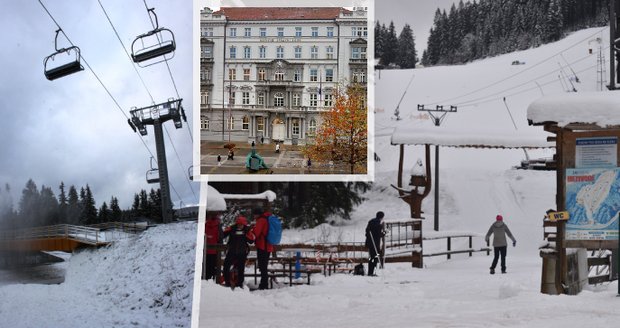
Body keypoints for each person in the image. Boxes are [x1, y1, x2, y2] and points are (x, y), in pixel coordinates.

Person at [222, 216, 255, 288]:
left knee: (241, 269)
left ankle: (239, 284)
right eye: (239, 224)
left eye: (241, 224)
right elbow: (222, 235)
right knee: (226, 267)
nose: (240, 226)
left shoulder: (246, 230)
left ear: (244, 224)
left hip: (242, 252)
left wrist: (247, 233)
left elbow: (251, 241)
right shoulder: (232, 228)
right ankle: (227, 283)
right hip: (232, 251)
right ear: (237, 223)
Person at [251, 207, 274, 289]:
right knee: (264, 265)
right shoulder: (267, 218)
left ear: (257, 214)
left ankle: (264, 284)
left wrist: (251, 229)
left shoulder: (261, 220)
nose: (253, 216)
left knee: (262, 266)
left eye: (254, 214)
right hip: (268, 246)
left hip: (263, 246)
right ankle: (264, 284)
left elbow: (256, 233)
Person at [365, 211, 385, 276]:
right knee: (375, 258)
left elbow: (367, 232)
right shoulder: (378, 224)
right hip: (375, 243)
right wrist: (384, 233)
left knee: (371, 258)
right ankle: (372, 272)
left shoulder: (371, 222)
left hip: (370, 243)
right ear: (381, 217)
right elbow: (379, 234)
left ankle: (370, 272)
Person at [204, 213, 223, 280]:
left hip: (206, 250)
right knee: (214, 267)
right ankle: (212, 281)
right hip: (215, 250)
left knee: (206, 267)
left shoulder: (206, 224)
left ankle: (206, 280)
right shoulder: (218, 225)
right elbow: (220, 237)